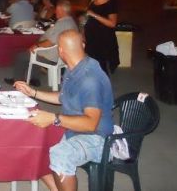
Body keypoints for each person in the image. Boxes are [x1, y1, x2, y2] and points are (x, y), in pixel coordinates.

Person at [15, 30, 114, 191]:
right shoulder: (74, 67)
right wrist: (33, 92)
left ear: (60, 51)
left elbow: (91, 124)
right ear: (82, 45)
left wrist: (53, 118)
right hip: (73, 129)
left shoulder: (90, 79)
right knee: (34, 142)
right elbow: (64, 97)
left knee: (60, 154)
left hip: (98, 138)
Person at [4, 0, 79, 86]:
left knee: (21, 56)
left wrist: (37, 45)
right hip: (61, 55)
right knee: (36, 51)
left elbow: (50, 42)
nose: (55, 12)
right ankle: (34, 79)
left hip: (53, 57)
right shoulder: (71, 21)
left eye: (57, 10)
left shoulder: (62, 24)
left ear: (62, 11)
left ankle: (17, 81)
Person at [84, 0, 119, 75]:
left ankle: (103, 82)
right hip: (91, 36)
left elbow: (112, 23)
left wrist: (94, 15)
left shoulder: (110, 3)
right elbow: (88, 14)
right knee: (91, 60)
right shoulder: (92, 0)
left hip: (103, 38)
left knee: (101, 64)